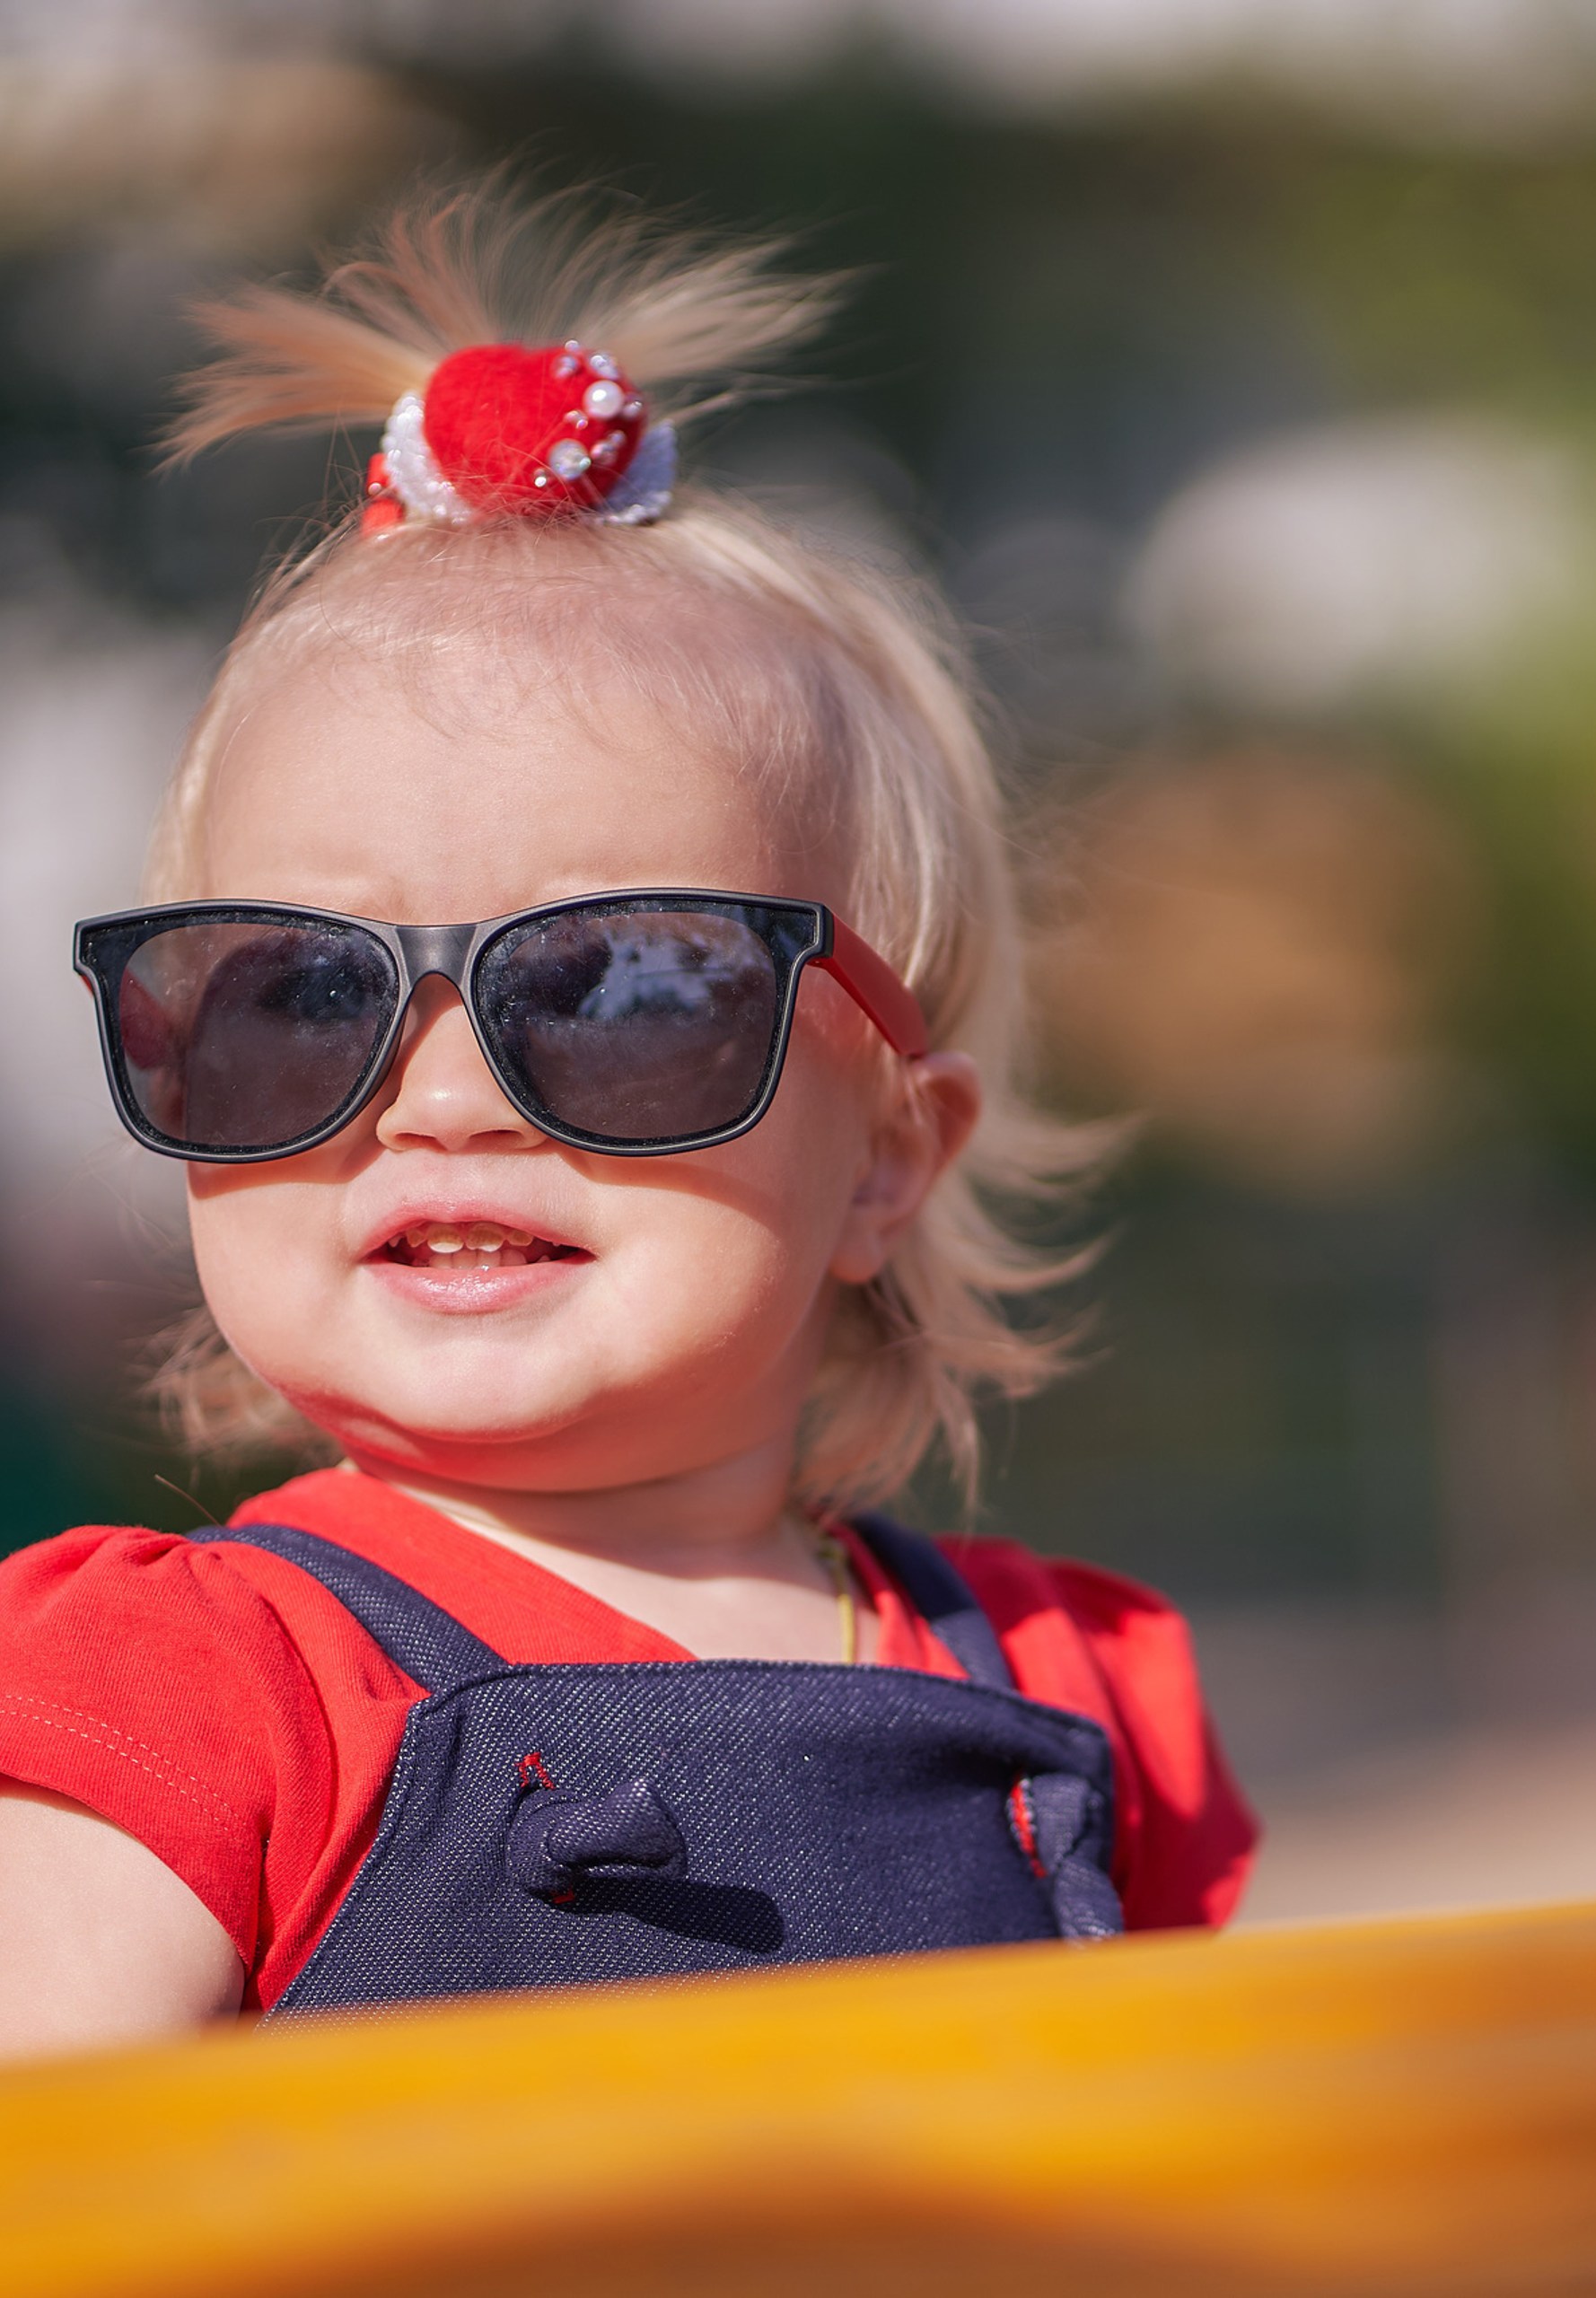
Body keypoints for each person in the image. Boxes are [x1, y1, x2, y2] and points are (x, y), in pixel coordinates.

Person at [0, 187, 1257, 2059]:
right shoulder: (197, 1697)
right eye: (301, 992)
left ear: (890, 1154)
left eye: (620, 988)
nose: (444, 1094)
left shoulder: (1073, 1694)